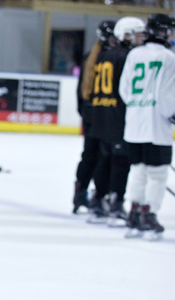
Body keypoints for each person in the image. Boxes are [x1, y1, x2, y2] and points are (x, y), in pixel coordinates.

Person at [119, 13, 175, 240]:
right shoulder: (169, 58)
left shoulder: (134, 54)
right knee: (157, 174)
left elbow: (125, 90)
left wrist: (139, 106)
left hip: (135, 125)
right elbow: (169, 95)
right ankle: (150, 214)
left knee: (139, 170)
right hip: (156, 126)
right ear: (163, 32)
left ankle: (135, 213)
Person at [85, 17, 146, 226]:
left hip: (101, 115)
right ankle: (116, 202)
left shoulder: (104, 55)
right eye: (137, 34)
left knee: (104, 159)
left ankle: (98, 200)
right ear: (125, 35)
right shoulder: (127, 56)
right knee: (120, 161)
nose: (141, 39)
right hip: (117, 116)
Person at [72, 20, 116, 214]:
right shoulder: (110, 57)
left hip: (91, 114)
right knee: (100, 156)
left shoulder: (90, 56)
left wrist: (85, 113)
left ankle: (81, 194)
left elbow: (80, 91)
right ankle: (96, 196)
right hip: (103, 115)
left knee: (90, 155)